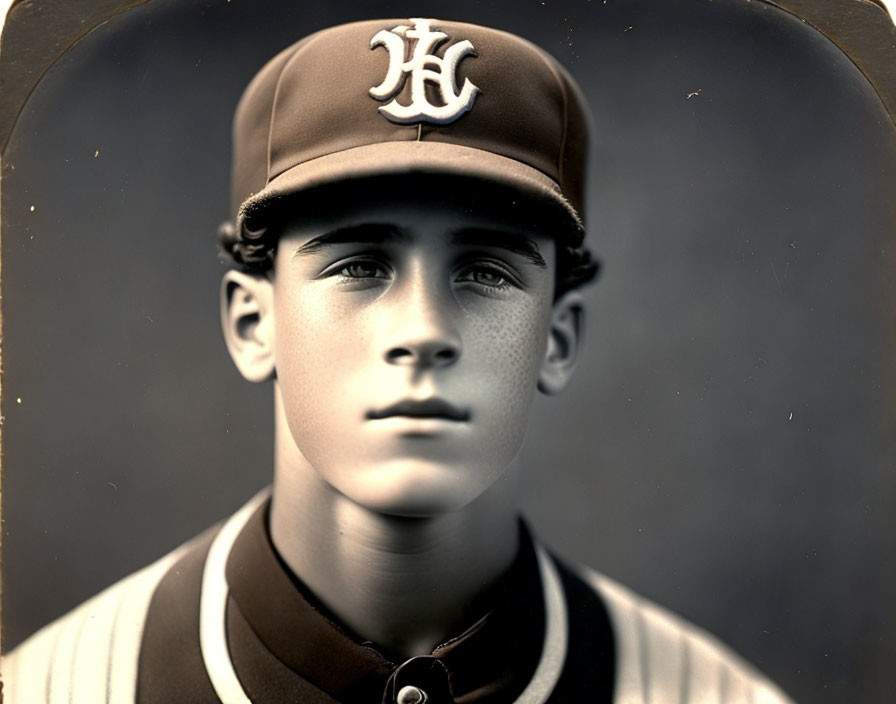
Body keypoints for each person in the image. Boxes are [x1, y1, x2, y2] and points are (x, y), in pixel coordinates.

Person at [2, 17, 795, 703]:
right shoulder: (49, 688)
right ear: (254, 322)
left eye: (486, 271)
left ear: (558, 338)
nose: (422, 330)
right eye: (358, 263)